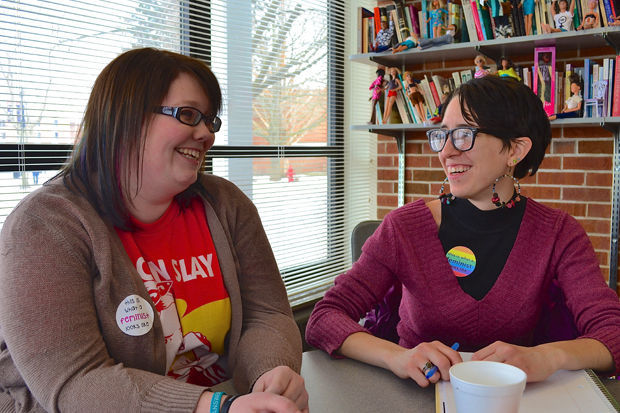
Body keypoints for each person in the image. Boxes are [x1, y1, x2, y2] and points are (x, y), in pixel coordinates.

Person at [0, 48, 308, 413]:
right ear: (125, 117)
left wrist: (270, 372)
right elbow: (76, 382)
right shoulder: (44, 226)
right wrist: (213, 408)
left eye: (210, 121)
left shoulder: (227, 204)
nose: (206, 134)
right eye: (189, 115)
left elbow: (267, 313)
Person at [305, 75, 620, 389]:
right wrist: (397, 356)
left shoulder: (559, 234)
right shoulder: (403, 228)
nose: (447, 152)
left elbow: (613, 332)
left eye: (465, 134)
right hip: (411, 398)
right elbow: (324, 318)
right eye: (443, 135)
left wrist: (548, 357)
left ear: (516, 149)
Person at [391, 25, 456, 53]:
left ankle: (397, 49)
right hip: (414, 42)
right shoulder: (447, 36)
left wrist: (416, 38)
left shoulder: (449, 35)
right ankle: (396, 49)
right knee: (433, 41)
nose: (448, 26)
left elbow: (433, 41)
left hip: (413, 42)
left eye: (450, 25)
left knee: (433, 41)